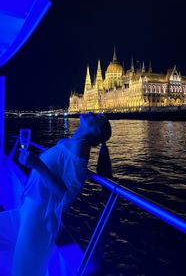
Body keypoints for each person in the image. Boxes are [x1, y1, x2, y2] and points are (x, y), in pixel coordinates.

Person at [11, 112, 112, 276]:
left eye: (98, 117)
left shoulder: (80, 149)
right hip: (34, 205)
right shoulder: (75, 142)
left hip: (40, 213)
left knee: (25, 265)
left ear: (95, 131)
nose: (93, 112)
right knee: (24, 260)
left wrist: (37, 164)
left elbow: (67, 196)